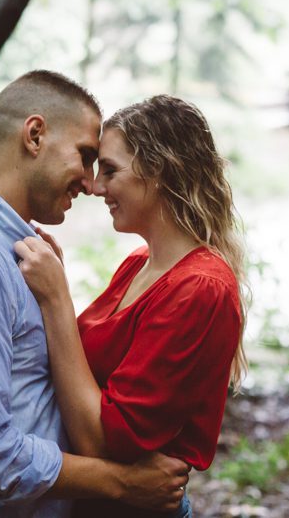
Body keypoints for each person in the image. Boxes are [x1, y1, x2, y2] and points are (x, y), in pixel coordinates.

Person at [0, 72, 190, 518]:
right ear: (34, 136)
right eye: (86, 157)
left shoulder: (15, 251)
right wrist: (124, 484)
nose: (91, 184)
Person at [14, 95, 248, 518]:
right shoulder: (139, 263)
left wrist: (56, 298)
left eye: (110, 170)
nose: (96, 187)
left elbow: (104, 442)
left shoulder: (201, 288)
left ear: (158, 171)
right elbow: (89, 367)